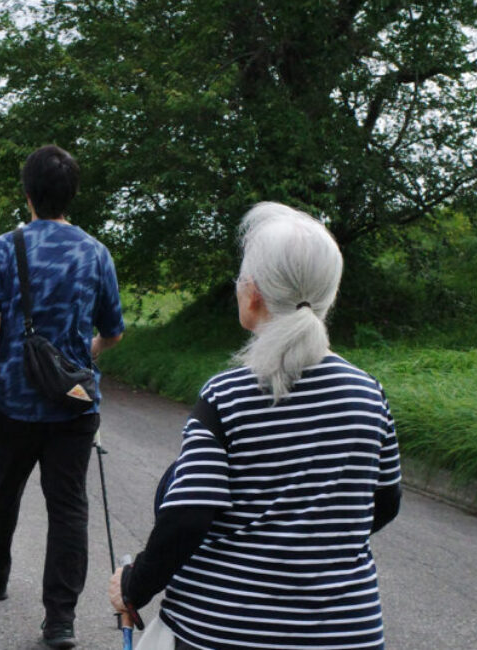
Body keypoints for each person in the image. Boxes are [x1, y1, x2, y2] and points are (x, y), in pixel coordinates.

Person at [107, 202, 402, 650]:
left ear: (254, 293)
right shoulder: (368, 393)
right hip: (347, 633)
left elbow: (188, 515)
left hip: (225, 630)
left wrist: (133, 586)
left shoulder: (228, 395)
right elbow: (382, 504)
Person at [0, 145, 125, 649]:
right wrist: (83, 359)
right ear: (71, 194)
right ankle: (60, 621)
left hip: (12, 402)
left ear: (27, 194)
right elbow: (113, 331)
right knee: (69, 507)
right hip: (74, 405)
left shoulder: (0, 249)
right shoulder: (95, 252)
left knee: (4, 490)